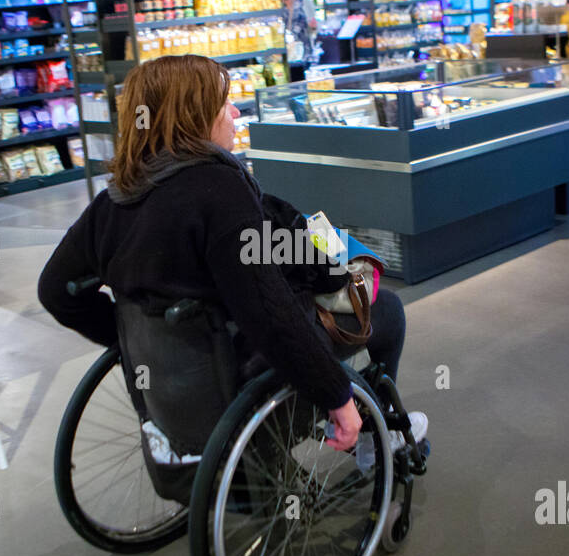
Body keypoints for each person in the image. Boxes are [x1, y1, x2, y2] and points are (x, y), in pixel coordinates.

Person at [37, 54, 424, 454]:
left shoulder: (112, 201)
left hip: (177, 386)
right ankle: (379, 437)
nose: (234, 112)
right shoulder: (220, 192)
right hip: (241, 366)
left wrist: (128, 340)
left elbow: (55, 290)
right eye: (224, 103)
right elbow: (268, 312)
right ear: (194, 116)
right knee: (387, 311)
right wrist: (337, 396)